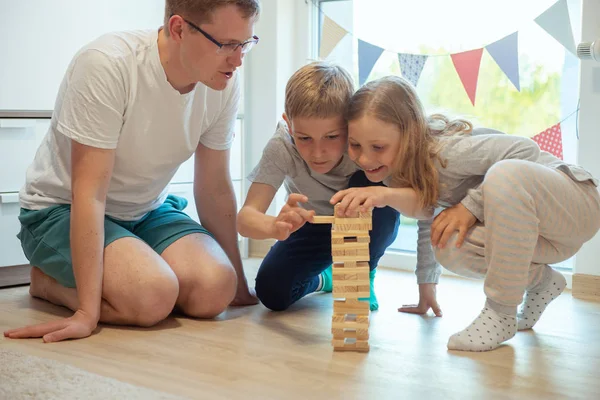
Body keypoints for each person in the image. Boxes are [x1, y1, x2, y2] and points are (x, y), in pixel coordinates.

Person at [4, 0, 261, 344]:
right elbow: (89, 193)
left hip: (147, 209)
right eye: (227, 45)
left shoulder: (224, 81)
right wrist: (86, 312)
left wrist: (240, 286)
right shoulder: (107, 65)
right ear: (179, 29)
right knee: (152, 297)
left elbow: (214, 187)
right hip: (61, 210)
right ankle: (48, 282)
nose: (238, 59)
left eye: (246, 43)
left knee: (217, 289)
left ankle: (131, 268)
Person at [332, 75, 600, 352]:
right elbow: (429, 217)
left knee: (504, 173)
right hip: (539, 238)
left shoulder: (447, 151)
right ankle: (542, 281)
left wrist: (469, 207)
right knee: (446, 243)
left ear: (409, 135)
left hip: (575, 205)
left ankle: (501, 313)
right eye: (355, 146)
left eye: (378, 147)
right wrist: (427, 288)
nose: (364, 159)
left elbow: (525, 150)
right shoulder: (394, 171)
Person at [237, 62, 438, 312]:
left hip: (364, 224)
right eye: (304, 138)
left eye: (332, 137)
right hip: (313, 226)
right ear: (289, 126)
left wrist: (427, 282)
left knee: (373, 185)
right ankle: (327, 278)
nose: (318, 153)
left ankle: (364, 272)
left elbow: (425, 205)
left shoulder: (365, 148)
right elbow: (245, 218)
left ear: (348, 125)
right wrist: (274, 225)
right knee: (271, 292)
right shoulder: (281, 147)